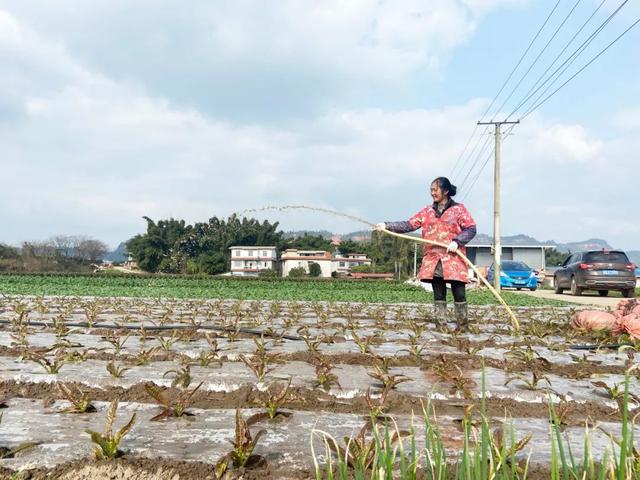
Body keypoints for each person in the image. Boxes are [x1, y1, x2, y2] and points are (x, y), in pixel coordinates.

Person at [375, 177, 476, 328]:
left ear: (446, 191)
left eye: (436, 190)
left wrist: (457, 241)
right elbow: (408, 225)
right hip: (434, 260)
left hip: (453, 259)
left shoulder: (459, 209)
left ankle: (463, 326)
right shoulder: (427, 211)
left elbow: (471, 229)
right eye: (431, 190)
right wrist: (386, 225)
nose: (433, 193)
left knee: (459, 293)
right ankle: (441, 327)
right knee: (439, 293)